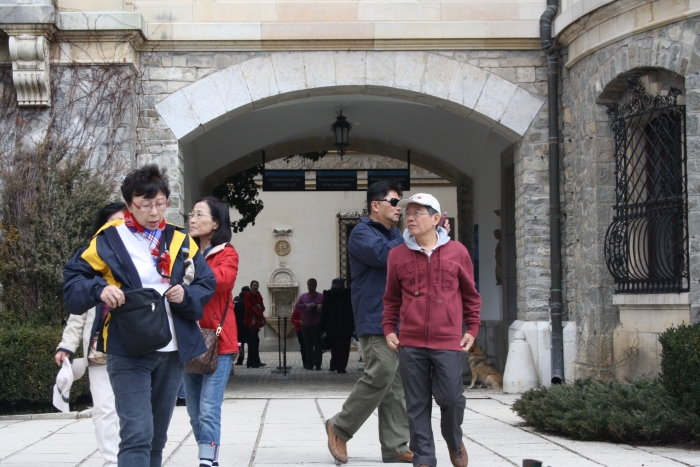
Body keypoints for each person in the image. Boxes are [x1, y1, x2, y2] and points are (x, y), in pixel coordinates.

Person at [62, 164, 216, 467]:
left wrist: (186, 295)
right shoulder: (110, 238)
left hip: (172, 348)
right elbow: (74, 279)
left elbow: (206, 282)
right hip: (128, 347)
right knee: (137, 433)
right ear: (130, 204)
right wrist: (100, 289)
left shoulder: (179, 239)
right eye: (145, 205)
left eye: (160, 203)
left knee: (157, 438)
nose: (154, 212)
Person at [383, 193, 481, 467]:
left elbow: (471, 295)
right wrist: (389, 328)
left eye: (417, 212)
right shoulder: (396, 255)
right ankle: (424, 457)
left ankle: (453, 440)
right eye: (408, 213)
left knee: (452, 399)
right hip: (411, 342)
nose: (410, 218)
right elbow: (391, 298)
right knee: (417, 404)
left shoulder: (458, 252)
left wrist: (472, 327)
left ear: (436, 218)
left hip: (447, 341)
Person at [326, 180, 412, 465]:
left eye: (400, 202)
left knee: (397, 384)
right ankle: (339, 427)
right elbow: (386, 256)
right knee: (381, 373)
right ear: (375, 205)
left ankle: (395, 445)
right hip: (376, 318)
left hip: (399, 319)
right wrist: (412, 235)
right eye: (393, 202)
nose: (399, 208)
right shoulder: (361, 233)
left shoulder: (395, 234)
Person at [55, 202, 126, 467]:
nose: (119, 227)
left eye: (124, 222)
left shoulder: (143, 258)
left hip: (135, 347)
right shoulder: (91, 261)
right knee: (104, 408)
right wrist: (66, 346)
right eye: (112, 223)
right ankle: (112, 461)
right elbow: (79, 313)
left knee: (134, 409)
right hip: (100, 350)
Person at [185, 196, 240, 467]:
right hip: (189, 338)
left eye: (199, 215)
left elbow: (222, 281)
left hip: (219, 340)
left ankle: (208, 460)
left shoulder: (227, 253)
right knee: (194, 411)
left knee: (208, 408)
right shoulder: (184, 249)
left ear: (216, 223)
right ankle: (206, 451)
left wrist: (190, 268)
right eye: (191, 215)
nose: (192, 220)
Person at [320, 278, 354, 373]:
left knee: (335, 348)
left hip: (333, 327)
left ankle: (334, 365)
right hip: (344, 326)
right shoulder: (346, 295)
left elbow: (324, 313)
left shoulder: (329, 296)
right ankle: (340, 367)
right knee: (343, 348)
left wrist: (322, 326)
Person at [295, 278, 324, 370]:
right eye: (309, 285)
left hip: (317, 325)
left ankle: (318, 364)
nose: (311, 287)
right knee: (308, 346)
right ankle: (309, 364)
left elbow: (327, 305)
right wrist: (305, 305)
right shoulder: (303, 296)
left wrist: (321, 306)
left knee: (318, 346)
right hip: (306, 325)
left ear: (316, 285)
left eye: (313, 285)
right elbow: (296, 306)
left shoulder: (321, 296)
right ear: (307, 285)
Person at [244, 280, 266, 368]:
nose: (255, 287)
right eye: (254, 285)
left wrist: (259, 308)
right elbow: (248, 307)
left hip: (256, 323)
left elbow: (263, 308)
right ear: (251, 287)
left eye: (257, 286)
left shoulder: (259, 296)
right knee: (251, 342)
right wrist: (257, 312)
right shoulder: (247, 295)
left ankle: (256, 361)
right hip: (249, 322)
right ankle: (251, 362)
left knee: (256, 341)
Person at [233, 286, 250, 366]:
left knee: (240, 342)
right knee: (250, 343)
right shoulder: (248, 300)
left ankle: (240, 359)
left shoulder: (237, 300)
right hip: (248, 325)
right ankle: (250, 360)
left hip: (238, 325)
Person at [290, 301, 308, 368]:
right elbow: (293, 319)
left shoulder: (307, 308)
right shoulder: (297, 309)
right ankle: (305, 362)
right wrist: (298, 322)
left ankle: (311, 361)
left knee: (309, 345)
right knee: (303, 346)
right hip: (300, 330)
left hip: (308, 329)